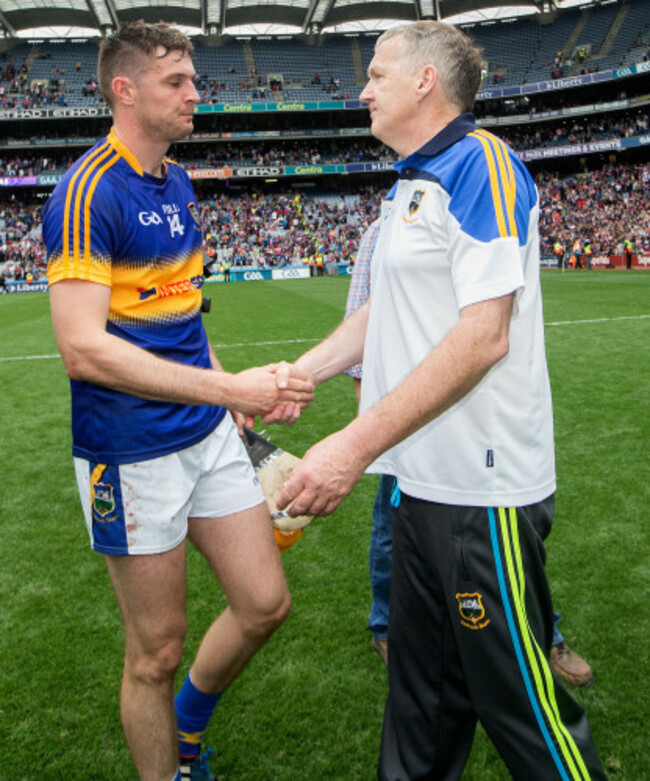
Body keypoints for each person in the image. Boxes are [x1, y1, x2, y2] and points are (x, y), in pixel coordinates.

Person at [277, 21, 606, 779]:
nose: (362, 88)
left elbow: (483, 334)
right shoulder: (410, 183)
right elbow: (381, 313)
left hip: (478, 494)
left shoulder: (480, 161)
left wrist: (351, 445)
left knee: (526, 712)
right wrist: (305, 371)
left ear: (426, 80)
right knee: (420, 711)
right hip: (418, 486)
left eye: (379, 73)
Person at [42, 21, 313, 781]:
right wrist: (229, 387)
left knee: (264, 604)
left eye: (194, 79)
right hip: (129, 451)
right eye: (178, 82)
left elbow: (182, 309)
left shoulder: (177, 180)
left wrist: (231, 402)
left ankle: (186, 726)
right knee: (155, 651)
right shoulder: (86, 190)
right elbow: (82, 347)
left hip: (208, 432)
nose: (198, 92)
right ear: (124, 90)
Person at [348, 221, 594, 687]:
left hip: (477, 415)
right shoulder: (381, 229)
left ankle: (541, 631)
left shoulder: (477, 211)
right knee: (392, 527)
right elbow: (363, 315)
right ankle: (387, 625)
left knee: (508, 533)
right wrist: (370, 416)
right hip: (405, 412)